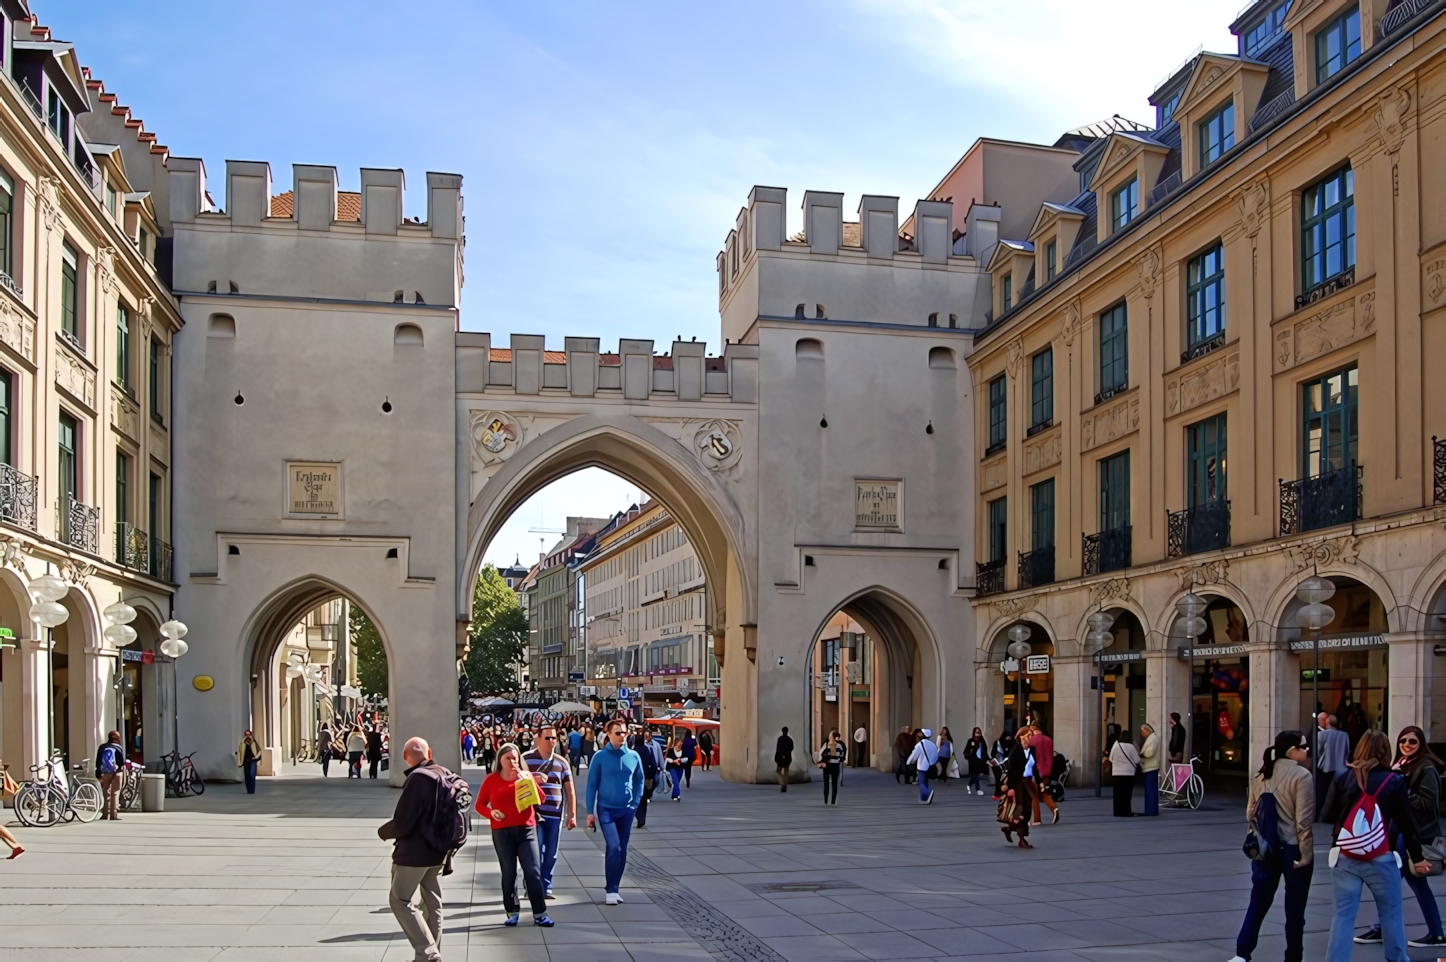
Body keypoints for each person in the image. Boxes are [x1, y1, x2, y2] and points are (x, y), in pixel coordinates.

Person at [1321, 729, 1428, 962]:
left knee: (1342, 916)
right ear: (1385, 751)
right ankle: (1397, 959)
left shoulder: (1342, 775)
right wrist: (1417, 857)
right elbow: (1406, 824)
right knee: (1391, 913)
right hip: (1380, 856)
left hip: (1345, 856)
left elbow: (1327, 814)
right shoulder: (1394, 780)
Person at [1351, 726, 1446, 948]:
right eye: (1403, 740)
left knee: (1391, 880)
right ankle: (1436, 933)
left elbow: (1430, 806)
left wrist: (1402, 794)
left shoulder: (1426, 767)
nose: (1406, 745)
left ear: (1421, 744)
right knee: (1406, 882)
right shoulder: (1400, 765)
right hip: (1401, 833)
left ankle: (1382, 929)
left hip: (1415, 833)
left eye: (1412, 741)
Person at [1229, 730, 1314, 962]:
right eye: (1304, 747)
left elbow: (1250, 813)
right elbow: (1303, 822)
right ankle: (1293, 957)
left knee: (1258, 901)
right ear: (1291, 751)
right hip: (1292, 849)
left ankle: (1242, 953)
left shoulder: (1261, 775)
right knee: (1295, 909)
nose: (1307, 751)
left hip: (1265, 849)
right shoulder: (1302, 776)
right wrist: (1306, 855)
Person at [377, 737, 454, 960]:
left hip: (415, 853)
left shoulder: (418, 779)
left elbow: (403, 821)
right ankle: (429, 955)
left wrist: (383, 832)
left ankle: (428, 953)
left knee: (399, 900)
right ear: (429, 752)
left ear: (404, 758)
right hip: (439, 851)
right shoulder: (444, 773)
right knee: (432, 901)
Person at [477, 743, 554, 927]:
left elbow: (541, 799)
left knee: (533, 871)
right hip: (502, 831)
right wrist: (491, 813)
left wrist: (528, 781)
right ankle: (512, 911)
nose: (512, 762)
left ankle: (540, 913)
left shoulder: (525, 776)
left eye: (515, 758)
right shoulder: (491, 780)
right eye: (508, 758)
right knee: (509, 872)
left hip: (526, 830)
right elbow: (479, 805)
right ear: (500, 761)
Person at [585, 719, 644, 905]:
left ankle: (615, 887)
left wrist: (634, 803)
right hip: (606, 810)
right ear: (608, 734)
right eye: (617, 733)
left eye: (624, 732)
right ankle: (610, 889)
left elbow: (639, 780)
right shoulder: (600, 757)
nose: (622, 736)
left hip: (626, 810)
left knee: (623, 849)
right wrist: (589, 811)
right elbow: (591, 785)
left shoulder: (633, 756)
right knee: (614, 846)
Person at [522, 726, 576, 899]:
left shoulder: (562, 762)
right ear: (538, 739)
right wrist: (532, 778)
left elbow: (570, 790)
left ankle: (546, 885)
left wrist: (572, 814)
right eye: (548, 738)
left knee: (551, 852)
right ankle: (532, 885)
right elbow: (515, 783)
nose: (552, 741)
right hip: (533, 814)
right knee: (535, 850)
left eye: (554, 738)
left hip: (555, 815)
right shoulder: (526, 759)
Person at [1316, 712, 1350, 820]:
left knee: (1323, 794)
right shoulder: (1344, 735)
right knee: (1338, 796)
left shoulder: (1321, 735)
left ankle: (1321, 817)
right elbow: (1347, 750)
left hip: (1326, 768)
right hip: (1341, 769)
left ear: (1326, 723)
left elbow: (1319, 751)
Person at [1027, 728, 1059, 825]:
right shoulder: (1049, 740)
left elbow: (1032, 758)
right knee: (1043, 792)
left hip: (1035, 771)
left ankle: (1037, 819)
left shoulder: (1032, 741)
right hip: (1047, 771)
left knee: (1034, 795)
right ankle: (1054, 808)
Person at [632, 729, 662, 828]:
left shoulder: (633, 752)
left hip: (635, 779)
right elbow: (653, 765)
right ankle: (642, 818)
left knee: (635, 799)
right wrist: (651, 776)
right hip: (646, 778)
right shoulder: (648, 749)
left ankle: (638, 815)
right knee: (644, 799)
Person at [1108, 731, 1140, 817]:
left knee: (1118, 794)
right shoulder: (1131, 746)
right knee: (1127, 794)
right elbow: (1137, 760)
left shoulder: (1115, 746)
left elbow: (1110, 759)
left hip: (1116, 773)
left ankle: (1117, 812)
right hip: (1128, 773)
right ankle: (1126, 812)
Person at [96, 730, 125, 821]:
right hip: (116, 773)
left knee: (105, 793)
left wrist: (98, 772)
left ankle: (104, 814)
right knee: (115, 793)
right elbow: (121, 762)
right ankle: (113, 815)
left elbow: (98, 761)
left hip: (104, 773)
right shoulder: (118, 748)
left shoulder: (102, 747)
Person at [907, 728, 939, 804]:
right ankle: (923, 798)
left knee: (921, 782)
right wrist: (932, 763)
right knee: (926, 782)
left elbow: (914, 755)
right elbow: (936, 756)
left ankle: (927, 793)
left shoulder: (920, 744)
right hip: (930, 766)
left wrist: (909, 762)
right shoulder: (933, 745)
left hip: (922, 766)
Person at [818, 729, 847, 804]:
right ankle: (833, 801)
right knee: (834, 784)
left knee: (826, 783)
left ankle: (826, 800)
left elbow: (820, 755)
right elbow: (842, 755)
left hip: (827, 766)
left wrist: (822, 761)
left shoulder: (826, 745)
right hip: (835, 766)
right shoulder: (839, 746)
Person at [1139, 723, 1161, 817]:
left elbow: (1150, 752)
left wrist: (1142, 755)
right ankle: (1150, 810)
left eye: (1142, 732)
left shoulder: (1153, 738)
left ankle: (1151, 810)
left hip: (1151, 766)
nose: (1142, 734)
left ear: (1147, 731)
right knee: (1150, 790)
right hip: (1150, 766)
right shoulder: (1152, 738)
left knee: (1150, 790)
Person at [963, 728, 988, 795]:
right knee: (975, 774)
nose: (977, 734)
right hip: (973, 761)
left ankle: (969, 785)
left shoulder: (982, 741)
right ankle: (978, 789)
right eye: (976, 732)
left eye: (979, 732)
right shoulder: (971, 741)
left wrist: (987, 759)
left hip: (980, 761)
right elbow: (967, 750)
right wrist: (968, 756)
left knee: (975, 775)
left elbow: (985, 751)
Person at [990, 730, 1015, 799]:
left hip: (1006, 764)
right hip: (997, 764)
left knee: (1005, 779)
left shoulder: (1011, 744)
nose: (1007, 740)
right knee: (998, 779)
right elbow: (993, 753)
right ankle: (998, 793)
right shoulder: (997, 743)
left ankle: (1004, 793)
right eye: (1006, 738)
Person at [238, 729, 262, 794]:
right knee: (247, 776)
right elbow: (240, 752)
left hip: (252, 761)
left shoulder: (254, 742)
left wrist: (256, 757)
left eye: (249, 735)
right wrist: (240, 762)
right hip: (246, 761)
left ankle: (252, 790)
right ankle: (249, 790)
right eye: (246, 735)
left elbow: (259, 750)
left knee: (252, 774)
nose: (248, 736)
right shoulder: (242, 744)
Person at [665, 736, 685, 801]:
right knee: (676, 782)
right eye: (679, 742)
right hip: (672, 767)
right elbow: (667, 758)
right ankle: (678, 795)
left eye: (681, 742)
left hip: (680, 768)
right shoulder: (671, 750)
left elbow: (686, 758)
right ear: (676, 742)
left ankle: (674, 795)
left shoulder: (683, 750)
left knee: (677, 782)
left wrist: (681, 760)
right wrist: (673, 761)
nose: (681, 743)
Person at [775, 726, 794, 792]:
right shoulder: (790, 739)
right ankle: (784, 784)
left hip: (780, 757)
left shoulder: (780, 739)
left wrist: (777, 757)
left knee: (778, 771)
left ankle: (782, 783)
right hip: (788, 757)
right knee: (786, 772)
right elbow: (792, 748)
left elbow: (778, 749)